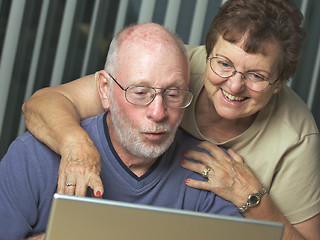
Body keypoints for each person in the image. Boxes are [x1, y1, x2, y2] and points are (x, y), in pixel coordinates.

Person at [22, 0, 320, 239]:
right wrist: (77, 146)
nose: (234, 85)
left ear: (280, 81)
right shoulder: (170, 67)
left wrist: (252, 199)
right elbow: (41, 104)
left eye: (257, 75)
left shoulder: (296, 136)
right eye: (223, 63)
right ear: (208, 52)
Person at [0, 23, 243, 240]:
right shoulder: (31, 157)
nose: (158, 113)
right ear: (105, 90)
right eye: (140, 93)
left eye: (173, 94)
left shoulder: (210, 172)